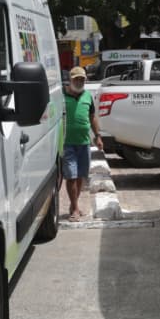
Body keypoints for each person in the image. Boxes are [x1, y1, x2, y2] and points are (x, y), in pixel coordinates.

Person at [62, 66, 102, 221]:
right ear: (70, 80)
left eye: (82, 79)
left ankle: (74, 205)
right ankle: (75, 209)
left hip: (84, 143)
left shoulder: (87, 96)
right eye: (76, 79)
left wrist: (98, 136)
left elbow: (92, 117)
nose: (79, 82)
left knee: (80, 176)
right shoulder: (61, 95)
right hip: (66, 143)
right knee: (71, 176)